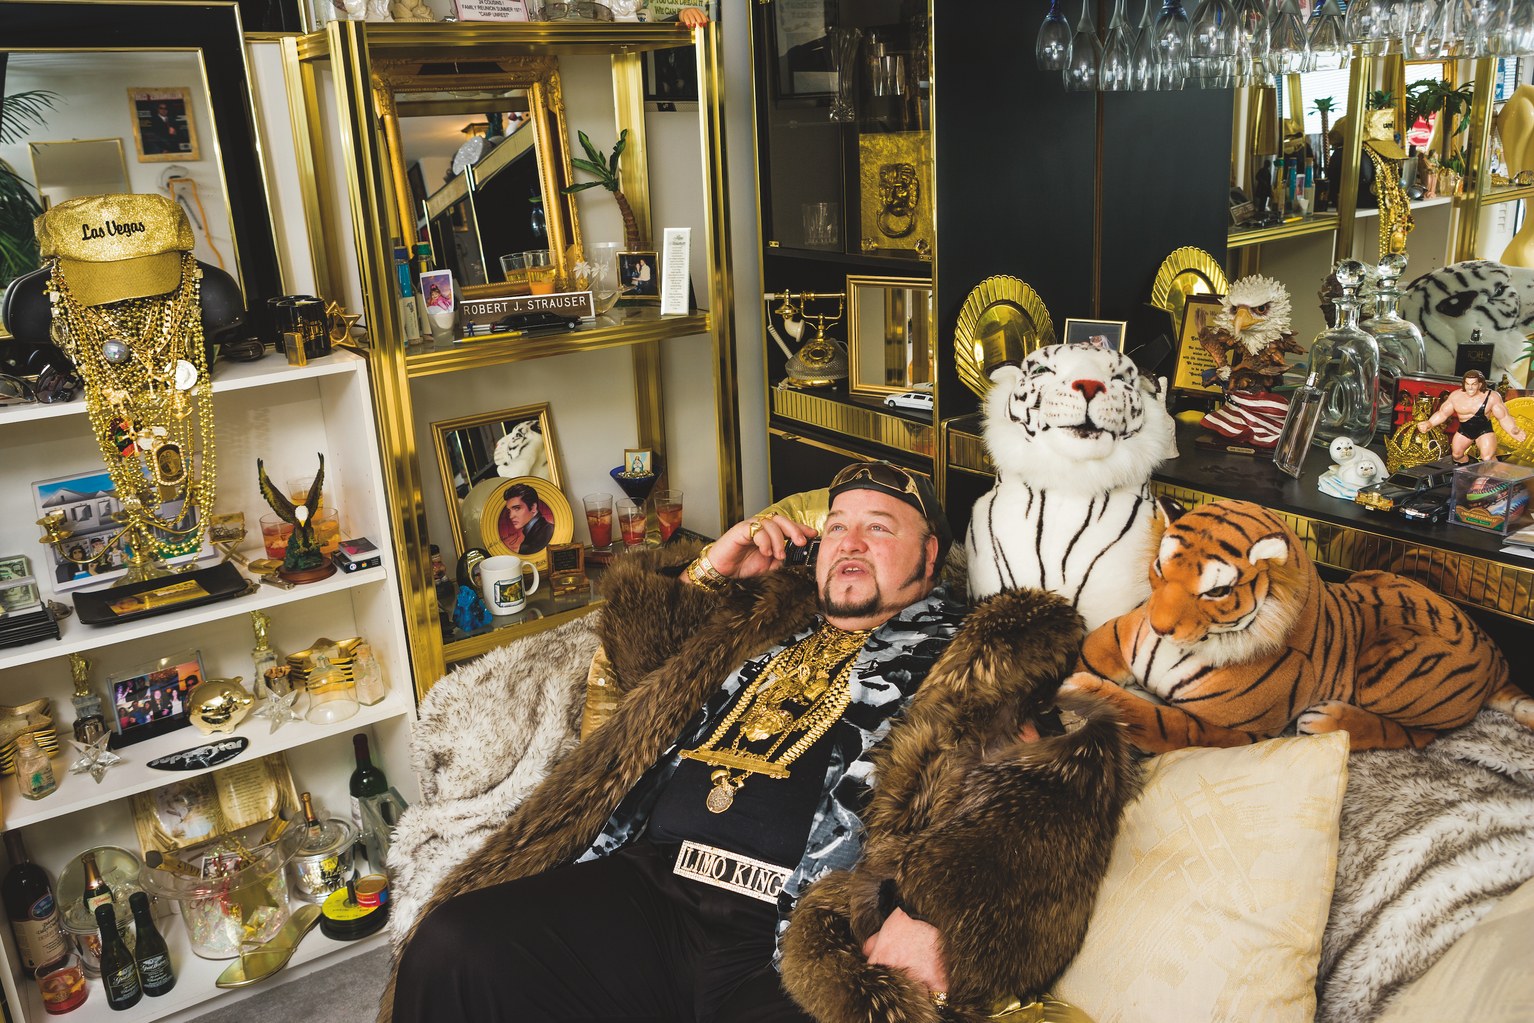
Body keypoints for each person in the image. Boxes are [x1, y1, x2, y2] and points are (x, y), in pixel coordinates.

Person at [384, 461, 1133, 1023]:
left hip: (793, 936)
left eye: (880, 528)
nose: (850, 542)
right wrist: (712, 574)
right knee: (454, 944)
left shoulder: (973, 661)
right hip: (651, 885)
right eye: (837, 526)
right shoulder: (766, 618)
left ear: (930, 556)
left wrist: (939, 916)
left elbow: (1044, 802)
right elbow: (643, 682)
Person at [1419, 369, 1529, 463]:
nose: (1470, 388)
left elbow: (1504, 417)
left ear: (1480, 384)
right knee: (1457, 455)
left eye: (1474, 384)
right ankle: (1467, 469)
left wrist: (1513, 430)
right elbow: (1443, 413)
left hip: (1484, 431)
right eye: (1467, 384)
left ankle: (1495, 475)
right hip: (1465, 430)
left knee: (1487, 458)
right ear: (1464, 384)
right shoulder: (1456, 396)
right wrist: (1430, 423)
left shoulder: (1492, 397)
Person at [498, 482, 554, 555]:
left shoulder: (546, 533)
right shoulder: (543, 530)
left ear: (533, 507)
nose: (511, 516)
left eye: (517, 508)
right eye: (509, 511)